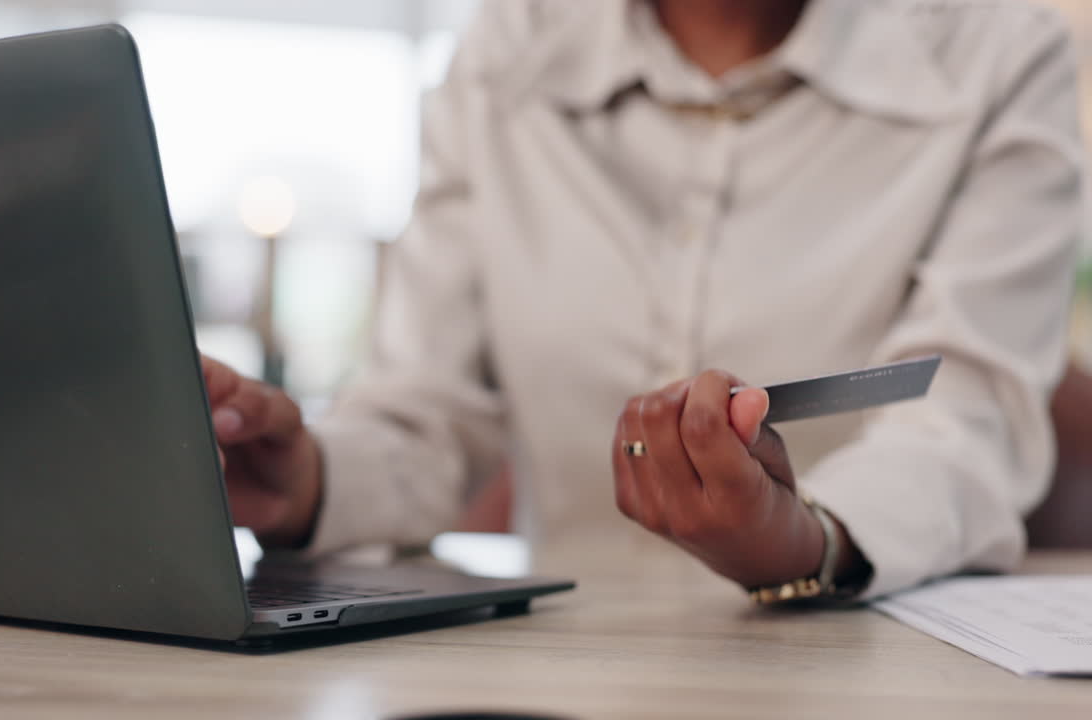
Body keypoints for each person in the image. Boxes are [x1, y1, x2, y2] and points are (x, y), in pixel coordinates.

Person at [201, 0, 1084, 603]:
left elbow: (966, 420)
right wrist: (308, 481)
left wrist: (808, 539)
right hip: (562, 661)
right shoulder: (505, 55)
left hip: (866, 668)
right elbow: (426, 417)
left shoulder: (1006, 56)